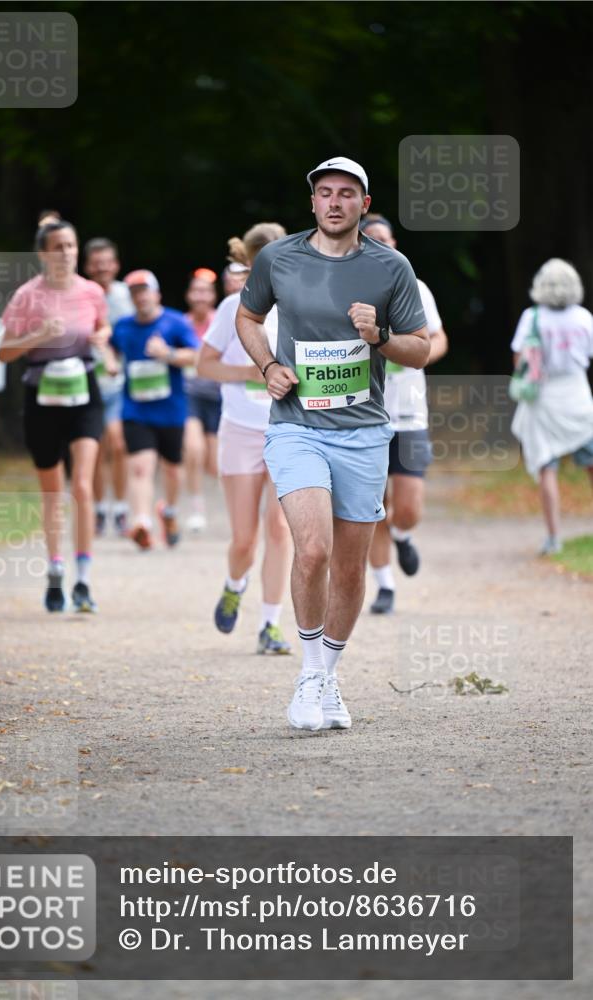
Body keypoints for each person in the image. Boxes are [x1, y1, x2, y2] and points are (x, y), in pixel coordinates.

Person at [236, 156, 429, 731]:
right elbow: (247, 318)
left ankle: (328, 673)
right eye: (325, 193)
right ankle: (308, 673)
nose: (336, 202)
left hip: (365, 433)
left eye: (348, 193)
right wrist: (267, 363)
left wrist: (381, 336)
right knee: (312, 548)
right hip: (295, 425)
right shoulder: (279, 258)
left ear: (364, 204)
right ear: (313, 202)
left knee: (349, 567)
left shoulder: (391, 268)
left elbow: (420, 348)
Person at [0, 220, 110, 612]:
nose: (66, 253)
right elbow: (3, 352)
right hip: (42, 394)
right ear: (43, 253)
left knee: (81, 484)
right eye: (58, 246)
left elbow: (102, 326)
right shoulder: (27, 296)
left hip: (84, 391)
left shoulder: (92, 291)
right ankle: (55, 569)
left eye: (71, 245)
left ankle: (83, 580)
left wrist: (102, 338)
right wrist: (38, 336)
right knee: (53, 491)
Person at [198, 224, 292, 656]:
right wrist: (253, 372)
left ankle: (270, 625)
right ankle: (235, 584)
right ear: (252, 264)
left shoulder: (298, 306)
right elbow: (205, 366)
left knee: (279, 528)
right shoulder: (232, 308)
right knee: (244, 539)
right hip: (240, 430)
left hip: (288, 429)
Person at [360, 214, 449, 615]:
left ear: (394, 244)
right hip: (365, 414)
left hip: (410, 414)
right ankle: (385, 585)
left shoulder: (416, 288)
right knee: (370, 504)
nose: (380, 245)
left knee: (409, 506)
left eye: (385, 238)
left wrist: (419, 354)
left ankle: (402, 533)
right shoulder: (349, 289)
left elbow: (437, 337)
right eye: (371, 239)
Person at [109, 269, 199, 549]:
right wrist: (110, 361)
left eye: (144, 291)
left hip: (170, 409)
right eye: (134, 293)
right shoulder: (123, 326)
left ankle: (168, 511)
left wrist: (168, 354)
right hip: (135, 409)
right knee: (140, 467)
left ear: (156, 294)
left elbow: (197, 356)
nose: (140, 297)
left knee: (172, 469)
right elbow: (110, 348)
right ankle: (142, 523)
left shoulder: (175, 322)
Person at [510, 258, 593, 555]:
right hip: (578, 396)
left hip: (543, 398)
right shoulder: (584, 318)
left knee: (546, 467)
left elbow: (519, 360)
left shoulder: (532, 317)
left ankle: (554, 536)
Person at [83, 237, 134, 537]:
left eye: (107, 262)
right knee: (96, 448)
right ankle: (100, 508)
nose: (102, 268)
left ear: (115, 265)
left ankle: (122, 507)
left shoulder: (127, 295)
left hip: (122, 380)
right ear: (89, 266)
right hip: (88, 379)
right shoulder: (81, 294)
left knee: (119, 442)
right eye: (96, 263)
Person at [183, 268, 221, 533]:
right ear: (188, 295)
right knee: (193, 449)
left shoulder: (222, 320)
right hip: (190, 394)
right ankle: (196, 508)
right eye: (195, 290)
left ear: (213, 296)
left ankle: (223, 507)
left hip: (219, 396)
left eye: (205, 291)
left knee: (214, 463)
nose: (200, 296)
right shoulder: (180, 323)